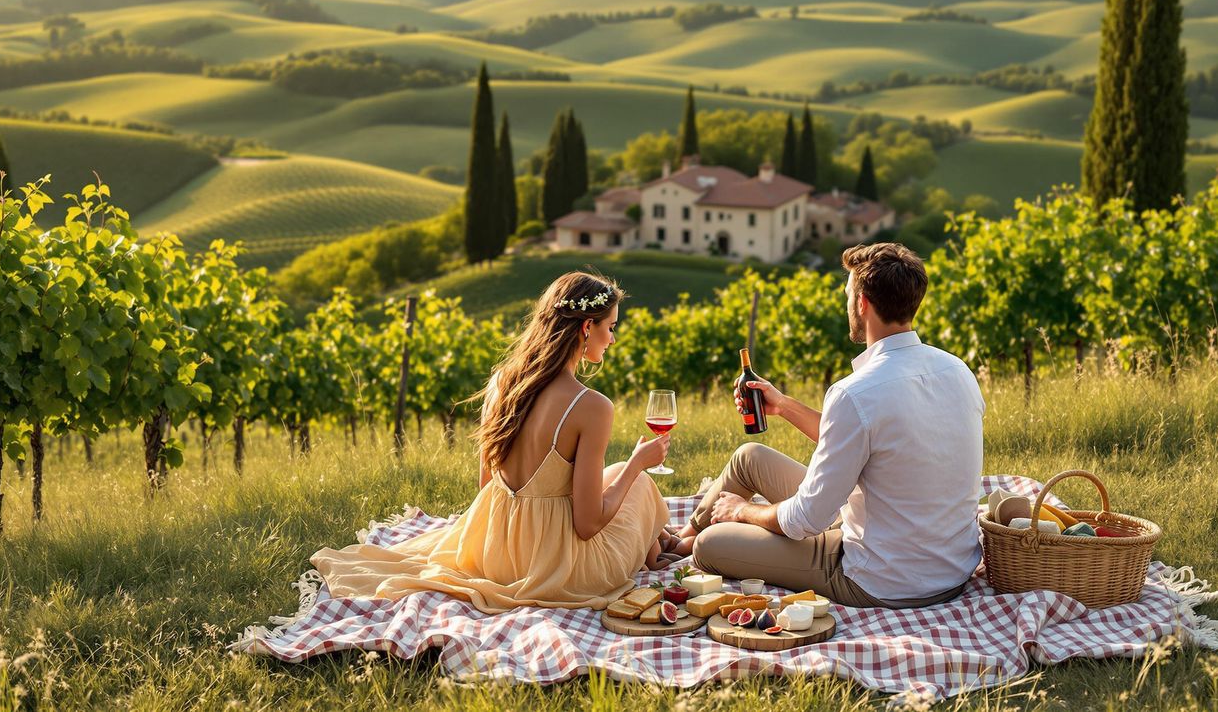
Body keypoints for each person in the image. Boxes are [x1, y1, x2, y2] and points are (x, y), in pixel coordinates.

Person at [309, 272, 676, 614]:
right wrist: (636, 464)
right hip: (558, 572)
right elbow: (586, 524)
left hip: (491, 551)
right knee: (637, 483)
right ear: (586, 327)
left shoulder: (504, 381)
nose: (612, 338)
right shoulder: (592, 406)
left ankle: (661, 546)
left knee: (612, 475)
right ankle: (660, 551)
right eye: (610, 328)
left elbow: (487, 486)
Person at [669, 243, 984, 609]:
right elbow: (879, 444)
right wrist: (784, 405)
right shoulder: (957, 370)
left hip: (880, 578)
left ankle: (694, 540)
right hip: (949, 569)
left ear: (862, 304)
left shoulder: (856, 392)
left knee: (712, 546)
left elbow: (807, 519)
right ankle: (679, 541)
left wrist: (741, 511)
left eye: (848, 293)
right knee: (749, 457)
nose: (846, 302)